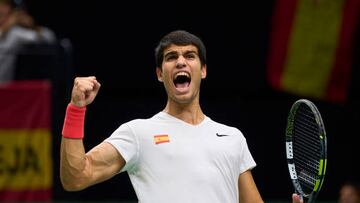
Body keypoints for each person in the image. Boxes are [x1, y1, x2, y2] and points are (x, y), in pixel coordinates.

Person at [60, 30, 302, 203]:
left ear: (203, 70)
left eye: (190, 55)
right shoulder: (138, 133)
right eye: (171, 57)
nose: (180, 62)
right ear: (159, 73)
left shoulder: (232, 138)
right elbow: (76, 178)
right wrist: (76, 109)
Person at [0, 0, 56, 83]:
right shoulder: (10, 31)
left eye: (6, 5)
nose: (3, 7)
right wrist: (9, 23)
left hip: (4, 87)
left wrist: (33, 26)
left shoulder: (15, 33)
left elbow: (49, 37)